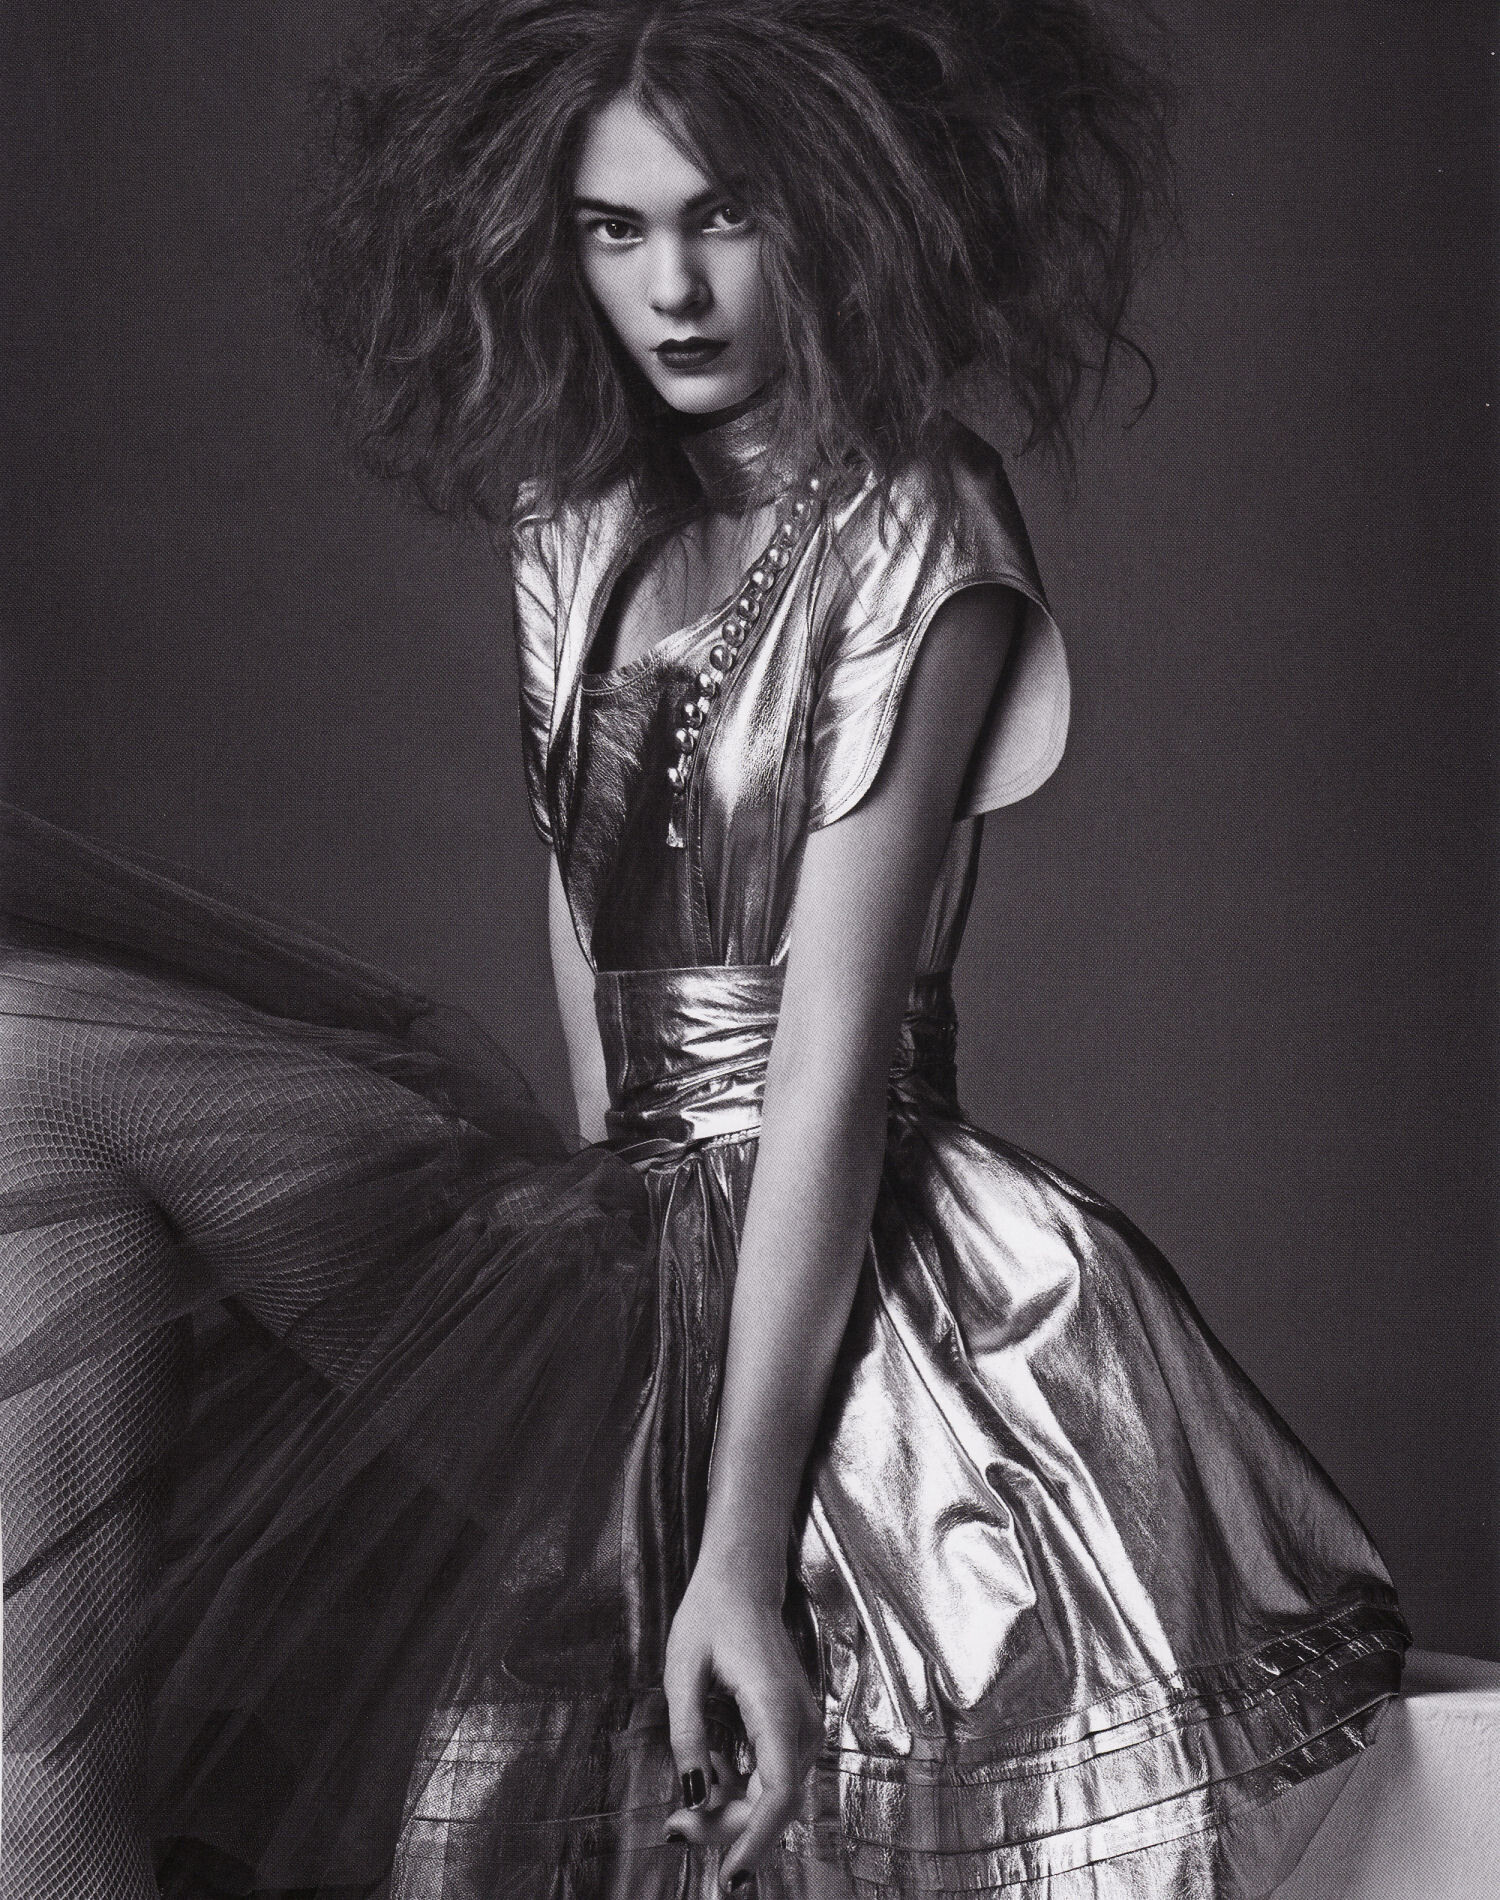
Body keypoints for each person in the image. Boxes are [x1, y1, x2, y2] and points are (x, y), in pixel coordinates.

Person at [0, 3, 1407, 1897]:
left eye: (722, 215)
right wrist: (569, 1319)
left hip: (851, 1241)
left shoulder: (917, 519)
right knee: (34, 1052)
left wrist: (732, 1543)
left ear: (839, 213)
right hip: (613, 1227)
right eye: (614, 228)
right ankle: (43, 1816)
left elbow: (830, 1065)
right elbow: (589, 978)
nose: (670, 288)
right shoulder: (570, 524)